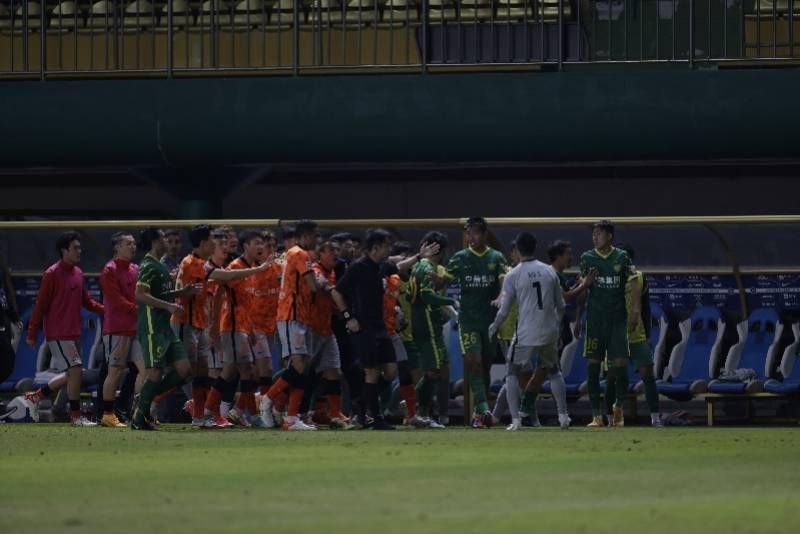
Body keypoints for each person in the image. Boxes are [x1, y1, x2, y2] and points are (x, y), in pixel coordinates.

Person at [331, 229, 439, 429]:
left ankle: (361, 403)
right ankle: (376, 417)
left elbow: (398, 265)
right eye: (386, 246)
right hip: (363, 328)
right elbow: (336, 292)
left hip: (381, 327)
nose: (388, 249)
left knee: (390, 372)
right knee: (372, 372)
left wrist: (418, 256)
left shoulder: (380, 267)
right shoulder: (358, 268)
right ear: (375, 248)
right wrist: (348, 317)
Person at [489, 232, 570, 431]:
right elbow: (561, 306)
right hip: (549, 331)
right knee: (553, 371)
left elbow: (505, 309)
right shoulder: (549, 271)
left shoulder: (513, 274)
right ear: (535, 247)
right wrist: (556, 326)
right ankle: (563, 417)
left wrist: (493, 326)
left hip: (526, 333)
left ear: (517, 249)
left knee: (512, 372)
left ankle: (516, 420)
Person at [25, 231, 105, 426]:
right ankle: (76, 417)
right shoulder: (51, 274)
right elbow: (40, 306)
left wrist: (107, 310)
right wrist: (32, 333)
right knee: (76, 370)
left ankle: (35, 396)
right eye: (75, 248)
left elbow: (86, 301)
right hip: (59, 334)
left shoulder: (78, 273)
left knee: (72, 374)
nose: (80, 251)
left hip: (75, 332)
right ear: (64, 251)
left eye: (80, 247)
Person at [131, 228, 203, 430]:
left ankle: (144, 398)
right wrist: (168, 306)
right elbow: (140, 295)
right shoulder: (148, 265)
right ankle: (139, 418)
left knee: (185, 371)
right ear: (155, 241)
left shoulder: (159, 265)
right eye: (163, 237)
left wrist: (182, 292)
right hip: (153, 327)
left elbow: (161, 293)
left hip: (165, 329)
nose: (167, 241)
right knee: (154, 373)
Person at [443, 217, 508, 428]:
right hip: (468, 320)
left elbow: (503, 280)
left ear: (484, 234)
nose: (471, 238)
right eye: (468, 234)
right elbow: (443, 279)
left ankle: (479, 415)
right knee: (475, 364)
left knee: (486, 366)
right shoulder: (460, 258)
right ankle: (482, 409)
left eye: (475, 233)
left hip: (489, 322)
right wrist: (431, 273)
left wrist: (501, 296)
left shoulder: (495, 257)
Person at [261, 220, 324, 431]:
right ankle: (267, 399)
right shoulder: (300, 254)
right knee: (298, 367)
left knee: (302, 368)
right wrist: (322, 282)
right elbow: (313, 287)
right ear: (305, 235)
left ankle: (291, 418)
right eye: (315, 235)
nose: (317, 240)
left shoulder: (291, 253)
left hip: (299, 316)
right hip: (292, 315)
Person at [574, 220, 636, 428]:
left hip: (617, 320)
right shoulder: (587, 258)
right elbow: (582, 290)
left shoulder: (621, 257)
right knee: (592, 368)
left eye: (599, 233)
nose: (595, 237)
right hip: (595, 321)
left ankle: (618, 407)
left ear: (609, 236)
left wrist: (635, 311)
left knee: (620, 368)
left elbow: (634, 281)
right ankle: (596, 416)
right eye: (593, 234)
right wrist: (577, 319)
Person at [606, 243, 662, 427]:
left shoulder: (639, 278)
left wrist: (647, 335)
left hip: (637, 335)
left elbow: (645, 308)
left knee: (648, 374)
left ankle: (655, 417)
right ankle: (613, 415)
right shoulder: (608, 278)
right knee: (614, 377)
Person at [98, 232, 146, 428]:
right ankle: (108, 415)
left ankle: (140, 412)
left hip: (135, 329)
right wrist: (141, 311)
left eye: (134, 244)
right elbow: (117, 301)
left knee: (146, 370)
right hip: (117, 330)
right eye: (128, 244)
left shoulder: (136, 268)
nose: (133, 247)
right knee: (115, 371)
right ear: (117, 247)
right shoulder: (109, 270)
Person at [409, 232, 456, 429]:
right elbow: (428, 297)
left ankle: (417, 405)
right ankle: (420, 412)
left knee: (441, 368)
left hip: (430, 325)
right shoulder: (426, 267)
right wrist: (452, 300)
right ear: (440, 250)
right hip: (426, 324)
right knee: (434, 371)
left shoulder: (420, 266)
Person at [0, 254, 21, 387]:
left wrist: (14, 316)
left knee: (8, 360)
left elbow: (6, 291)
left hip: (3, 318)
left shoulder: (2, 267)